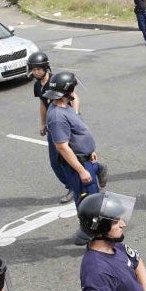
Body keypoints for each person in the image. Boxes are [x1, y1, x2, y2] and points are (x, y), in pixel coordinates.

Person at [43, 71, 104, 215]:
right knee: (87, 202)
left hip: (85, 158)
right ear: (67, 90)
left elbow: (77, 134)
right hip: (78, 165)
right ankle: (88, 233)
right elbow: (62, 147)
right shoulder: (57, 116)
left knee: (93, 198)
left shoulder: (64, 105)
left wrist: (90, 152)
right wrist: (81, 171)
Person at [29, 51, 74, 204]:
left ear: (46, 68)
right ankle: (71, 185)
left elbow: (74, 96)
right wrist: (42, 123)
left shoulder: (56, 81)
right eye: (33, 69)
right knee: (55, 162)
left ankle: (87, 179)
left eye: (39, 69)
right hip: (52, 126)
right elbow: (42, 104)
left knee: (74, 155)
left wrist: (74, 115)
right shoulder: (37, 86)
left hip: (64, 123)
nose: (36, 72)